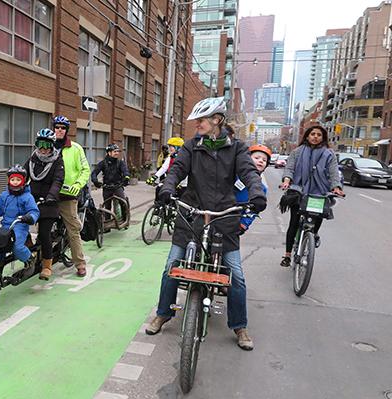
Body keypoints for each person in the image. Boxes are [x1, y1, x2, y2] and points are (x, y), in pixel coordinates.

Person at [145, 97, 266, 351]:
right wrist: (168, 188)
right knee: (172, 265)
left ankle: (240, 326)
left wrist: (257, 193)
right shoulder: (191, 147)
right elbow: (177, 170)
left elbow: (249, 173)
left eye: (200, 120)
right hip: (193, 213)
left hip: (225, 216)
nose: (196, 124)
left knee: (236, 275)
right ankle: (163, 312)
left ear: (217, 121)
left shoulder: (238, 149)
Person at [278, 125, 344, 267]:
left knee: (317, 218)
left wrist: (336, 187)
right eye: (312, 134)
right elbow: (289, 168)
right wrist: (286, 180)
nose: (315, 136)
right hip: (298, 190)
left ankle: (312, 235)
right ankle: (287, 255)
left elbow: (333, 172)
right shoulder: (297, 151)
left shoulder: (329, 154)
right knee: (294, 223)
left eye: (319, 135)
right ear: (307, 136)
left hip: (318, 191)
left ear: (323, 138)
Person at [0, 165, 40, 275]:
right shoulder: (5, 195)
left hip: (20, 226)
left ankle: (30, 259)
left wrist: (29, 217)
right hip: (6, 226)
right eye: (13, 179)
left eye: (18, 179)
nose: (15, 182)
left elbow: (34, 211)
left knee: (17, 247)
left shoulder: (27, 197)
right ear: (9, 180)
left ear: (23, 181)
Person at [52, 115, 91, 277]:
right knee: (42, 228)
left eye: (63, 128)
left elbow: (85, 170)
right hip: (50, 195)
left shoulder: (75, 148)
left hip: (68, 196)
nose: (60, 130)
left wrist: (77, 185)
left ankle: (80, 264)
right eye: (57, 127)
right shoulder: (47, 145)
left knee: (73, 230)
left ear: (66, 130)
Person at [24, 129, 65, 280]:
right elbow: (23, 174)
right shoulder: (33, 158)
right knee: (19, 226)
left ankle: (47, 266)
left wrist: (51, 195)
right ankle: (30, 252)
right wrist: (15, 184)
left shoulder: (58, 161)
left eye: (46, 144)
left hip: (48, 203)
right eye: (40, 144)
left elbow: (58, 180)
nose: (43, 148)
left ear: (52, 145)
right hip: (32, 201)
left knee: (44, 234)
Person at [236, 144, 271, 234]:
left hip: (235, 220)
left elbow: (253, 211)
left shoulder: (262, 189)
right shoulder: (234, 176)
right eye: (257, 158)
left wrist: (244, 224)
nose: (260, 161)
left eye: (264, 160)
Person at [91, 143, 130, 213]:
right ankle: (107, 221)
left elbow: (125, 171)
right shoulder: (103, 163)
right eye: (115, 151)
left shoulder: (120, 163)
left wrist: (126, 178)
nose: (117, 153)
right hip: (107, 187)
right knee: (107, 207)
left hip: (117, 187)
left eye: (118, 151)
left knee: (123, 203)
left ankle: (125, 220)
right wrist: (95, 181)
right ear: (109, 153)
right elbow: (94, 173)